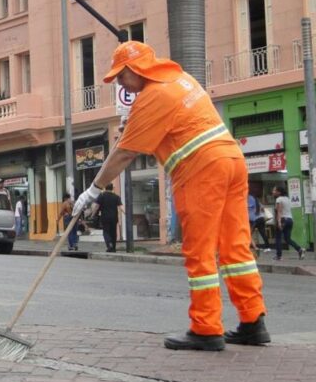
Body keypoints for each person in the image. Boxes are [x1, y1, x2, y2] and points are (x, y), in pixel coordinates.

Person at [73, 41, 269, 351]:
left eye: (121, 77)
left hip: (201, 170)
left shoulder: (152, 97)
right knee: (235, 246)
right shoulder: (180, 79)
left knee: (200, 251)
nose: (120, 84)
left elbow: (124, 153)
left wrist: (93, 189)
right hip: (231, 160)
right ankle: (252, 321)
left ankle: (206, 329)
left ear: (135, 70)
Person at [272, 186, 305, 261]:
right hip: (290, 220)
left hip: (283, 219)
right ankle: (299, 249)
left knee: (278, 238)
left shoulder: (279, 199)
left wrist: (279, 222)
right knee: (287, 239)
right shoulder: (287, 199)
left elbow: (279, 211)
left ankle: (279, 256)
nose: (273, 192)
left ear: (279, 192)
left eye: (274, 190)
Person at [93, 184, 123, 253]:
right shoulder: (116, 197)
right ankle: (113, 248)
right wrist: (126, 213)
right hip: (114, 218)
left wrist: (93, 214)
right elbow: (121, 207)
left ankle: (109, 244)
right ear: (112, 188)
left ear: (105, 188)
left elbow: (97, 206)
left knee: (106, 232)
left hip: (105, 217)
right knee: (113, 232)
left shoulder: (102, 195)